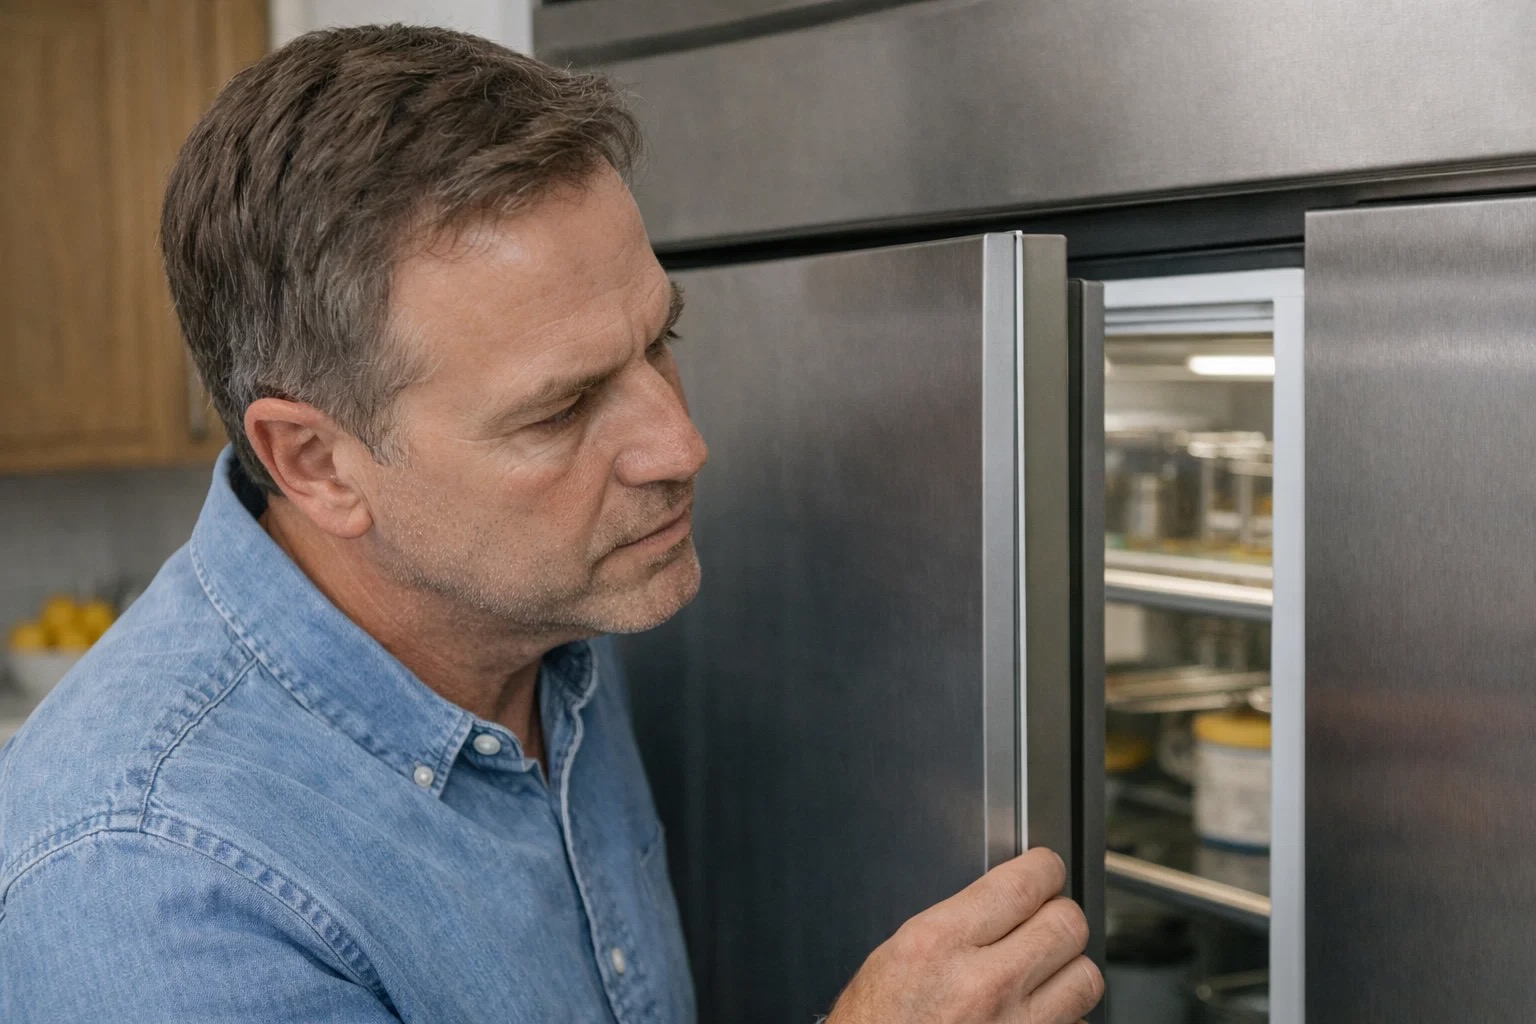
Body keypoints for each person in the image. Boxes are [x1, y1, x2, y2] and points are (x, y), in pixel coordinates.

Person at [0, 25, 1102, 1024]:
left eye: (661, 341)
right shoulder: (151, 885)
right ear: (318, 461)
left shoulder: (524, 609)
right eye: (562, 407)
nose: (678, 445)